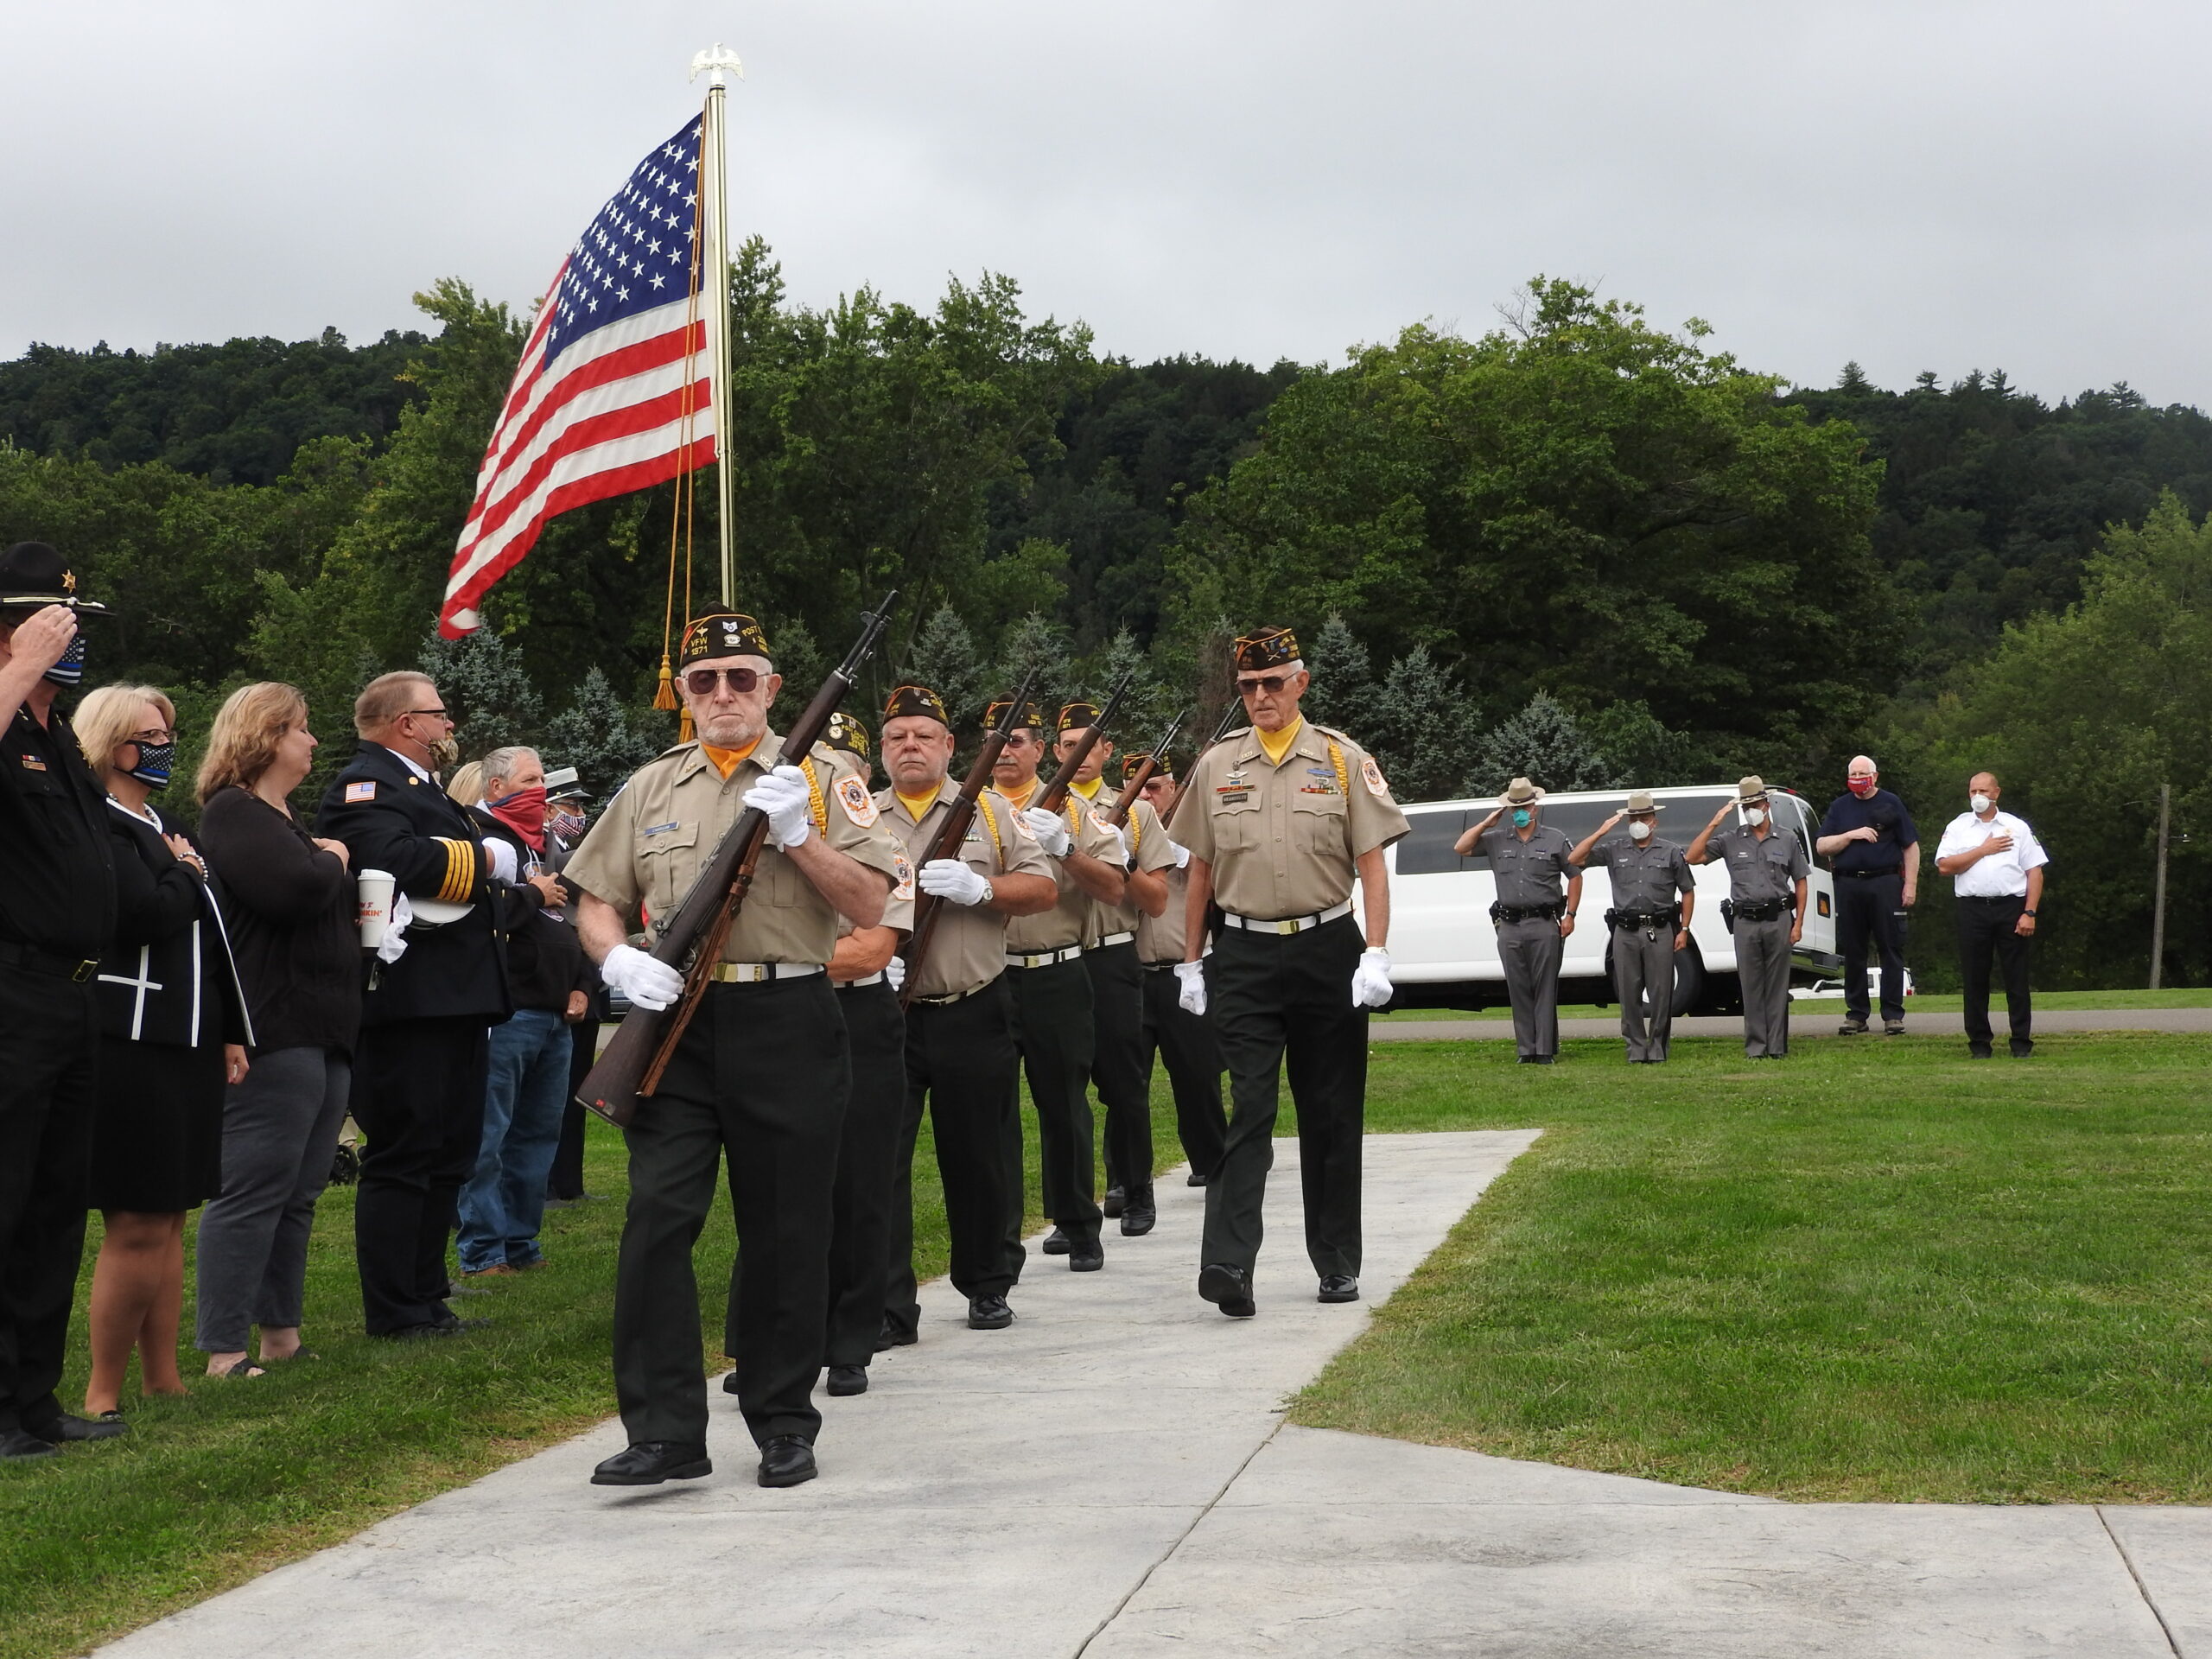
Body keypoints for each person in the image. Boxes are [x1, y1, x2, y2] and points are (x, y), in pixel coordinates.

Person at [567, 613, 901, 1491]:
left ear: (773, 690)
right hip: (673, 1026)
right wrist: (615, 957)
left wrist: (801, 837)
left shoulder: (827, 782)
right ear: (682, 695)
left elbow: (871, 905)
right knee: (656, 1221)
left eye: (740, 678)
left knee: (787, 1230)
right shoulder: (651, 785)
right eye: (704, 681)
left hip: (787, 1016)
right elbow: (595, 896)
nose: (722, 695)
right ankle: (665, 1431)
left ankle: (783, 1419)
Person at [1176, 627, 1407, 1318]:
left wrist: (1376, 950)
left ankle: (1336, 1261)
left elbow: (1371, 863)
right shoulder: (1217, 766)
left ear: (1300, 683)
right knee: (1249, 1107)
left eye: (1273, 683)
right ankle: (1228, 1264)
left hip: (1326, 945)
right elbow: (1199, 874)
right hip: (1243, 953)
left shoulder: (1340, 759)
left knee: (1330, 1110)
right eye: (1248, 687)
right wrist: (1190, 962)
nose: (1260, 697)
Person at [316, 671, 512, 1339]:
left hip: (452, 998)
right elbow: (395, 858)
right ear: (405, 723)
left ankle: (429, 1297)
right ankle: (396, 1310)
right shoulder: (364, 784)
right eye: (440, 715)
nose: (448, 725)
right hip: (408, 1000)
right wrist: (485, 858)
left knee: (449, 1150)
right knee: (405, 1150)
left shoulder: (418, 787)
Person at [725, 712, 912, 1400]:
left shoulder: (882, 846)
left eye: (842, 770)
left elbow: (872, 946)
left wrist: (784, 962)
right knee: (772, 1185)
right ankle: (755, 1341)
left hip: (854, 1013)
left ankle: (850, 1339)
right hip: (782, 1014)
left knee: (859, 1181)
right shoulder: (760, 830)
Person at [75, 684, 251, 1416]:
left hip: (188, 1041)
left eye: (169, 732)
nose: (165, 745)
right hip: (132, 1041)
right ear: (114, 743)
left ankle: (163, 1377)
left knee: (176, 1212)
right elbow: (142, 915)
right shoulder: (101, 826)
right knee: (138, 1219)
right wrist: (187, 872)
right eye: (151, 733)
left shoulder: (164, 822)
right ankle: (100, 1392)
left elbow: (212, 939)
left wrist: (234, 1031)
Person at [875, 684, 1055, 1342]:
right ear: (882, 748)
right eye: (898, 737)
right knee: (879, 1161)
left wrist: (983, 888)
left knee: (981, 1155)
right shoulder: (858, 814)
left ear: (950, 746)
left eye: (924, 735)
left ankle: (987, 1285)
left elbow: (1041, 889)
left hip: (971, 1005)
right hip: (885, 1011)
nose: (911, 746)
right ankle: (888, 1305)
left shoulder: (990, 811)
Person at [194, 683, 361, 1379]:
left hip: (321, 1027)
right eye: (301, 729)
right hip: (273, 1023)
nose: (313, 742)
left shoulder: (282, 815)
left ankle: (280, 1334)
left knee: (300, 1191)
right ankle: (224, 1349)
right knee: (254, 1188)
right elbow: (292, 892)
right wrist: (335, 858)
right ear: (266, 735)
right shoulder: (234, 812)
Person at [0, 542, 121, 1460]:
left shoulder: (56, 737)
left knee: (51, 1208)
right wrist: (20, 668)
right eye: (54, 622)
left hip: (75, 997)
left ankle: (30, 1400)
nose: (72, 639)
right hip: (12, 991)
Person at [989, 697, 1129, 1274]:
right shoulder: (976, 808)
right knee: (992, 1118)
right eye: (994, 741)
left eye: (1015, 740)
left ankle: (1077, 1225)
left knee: (1064, 1106)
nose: (1003, 751)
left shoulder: (1072, 810)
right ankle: (996, 1241)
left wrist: (1064, 850)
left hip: (1055, 972)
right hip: (991, 976)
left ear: (1040, 749)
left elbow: (1115, 890)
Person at [457, 746, 589, 1279]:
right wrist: (533, 895)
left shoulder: (544, 843)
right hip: (505, 1010)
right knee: (490, 1136)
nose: (543, 791)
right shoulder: (479, 841)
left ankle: (521, 1242)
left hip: (557, 1012)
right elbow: (478, 921)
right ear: (496, 789)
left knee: (538, 1135)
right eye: (531, 780)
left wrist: (582, 982)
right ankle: (484, 1251)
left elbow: (574, 920)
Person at [1065, 709, 1178, 1236]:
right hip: (1060, 957)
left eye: (1088, 743)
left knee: (1124, 1084)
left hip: (1112, 955)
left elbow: (1156, 902)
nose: (1078, 752)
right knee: (1062, 1090)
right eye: (1067, 742)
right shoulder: (1041, 810)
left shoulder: (1137, 815)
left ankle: (1136, 1189)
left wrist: (1124, 862)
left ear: (1107, 750)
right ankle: (1071, 1208)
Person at [1127, 756, 1227, 1185]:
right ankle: (1126, 1178)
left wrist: (1184, 854)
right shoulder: (1120, 833)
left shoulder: (1195, 833)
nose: (1147, 796)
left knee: (1197, 1076)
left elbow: (1224, 885)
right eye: (1138, 790)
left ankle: (1212, 1162)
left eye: (1155, 788)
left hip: (1185, 971)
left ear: (1173, 790)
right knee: (1126, 1085)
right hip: (1131, 975)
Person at [1453, 778, 1581, 1064]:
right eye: (1515, 808)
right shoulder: (1497, 839)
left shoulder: (1555, 838)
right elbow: (1461, 848)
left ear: (1534, 808)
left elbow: (1575, 875)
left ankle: (1544, 1050)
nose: (1520, 812)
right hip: (1509, 925)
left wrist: (1571, 914)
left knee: (1545, 987)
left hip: (1545, 922)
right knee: (1518, 987)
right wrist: (1487, 822)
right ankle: (1526, 1050)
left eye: (1524, 806)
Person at [1568, 790, 1696, 1064]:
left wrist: (1684, 929)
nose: (1639, 821)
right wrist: (1602, 830)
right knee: (1628, 992)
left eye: (1644, 816)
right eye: (1634, 817)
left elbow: (1687, 891)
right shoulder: (1614, 850)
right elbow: (1575, 859)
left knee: (1661, 993)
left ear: (1654, 820)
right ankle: (1636, 1049)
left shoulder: (1671, 852)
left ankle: (1658, 1048)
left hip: (1659, 929)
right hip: (1624, 930)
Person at [1686, 777, 1808, 1059]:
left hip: (1778, 917)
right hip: (1744, 921)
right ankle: (1756, 1047)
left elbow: (1801, 882)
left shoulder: (1787, 838)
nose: (1751, 810)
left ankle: (1777, 1047)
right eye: (1746, 806)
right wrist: (1715, 822)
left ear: (1766, 805)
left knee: (1777, 986)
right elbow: (1693, 857)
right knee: (1750, 986)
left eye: (1755, 804)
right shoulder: (1731, 840)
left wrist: (1798, 923)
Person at [1935, 772, 2048, 1059]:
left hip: (2011, 907)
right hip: (1972, 909)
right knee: (1975, 978)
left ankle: (2021, 1041)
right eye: (1972, 791)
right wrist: (1983, 850)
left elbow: (2034, 871)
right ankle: (1979, 1043)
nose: (1977, 796)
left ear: (1997, 792)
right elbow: (1946, 866)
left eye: (1983, 790)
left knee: (2016, 978)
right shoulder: (1959, 827)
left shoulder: (2016, 827)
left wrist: (2029, 912)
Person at [1816, 755, 1919, 1036]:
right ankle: (1857, 1015)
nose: (1858, 777)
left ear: (1875, 776)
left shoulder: (1891, 803)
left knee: (1891, 948)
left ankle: (1893, 1015)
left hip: (1886, 882)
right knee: (1854, 951)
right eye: (1853, 773)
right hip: (1849, 885)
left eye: (1863, 773)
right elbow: (1822, 845)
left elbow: (1911, 846)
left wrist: (1910, 885)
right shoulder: (1840, 807)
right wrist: (1851, 835)